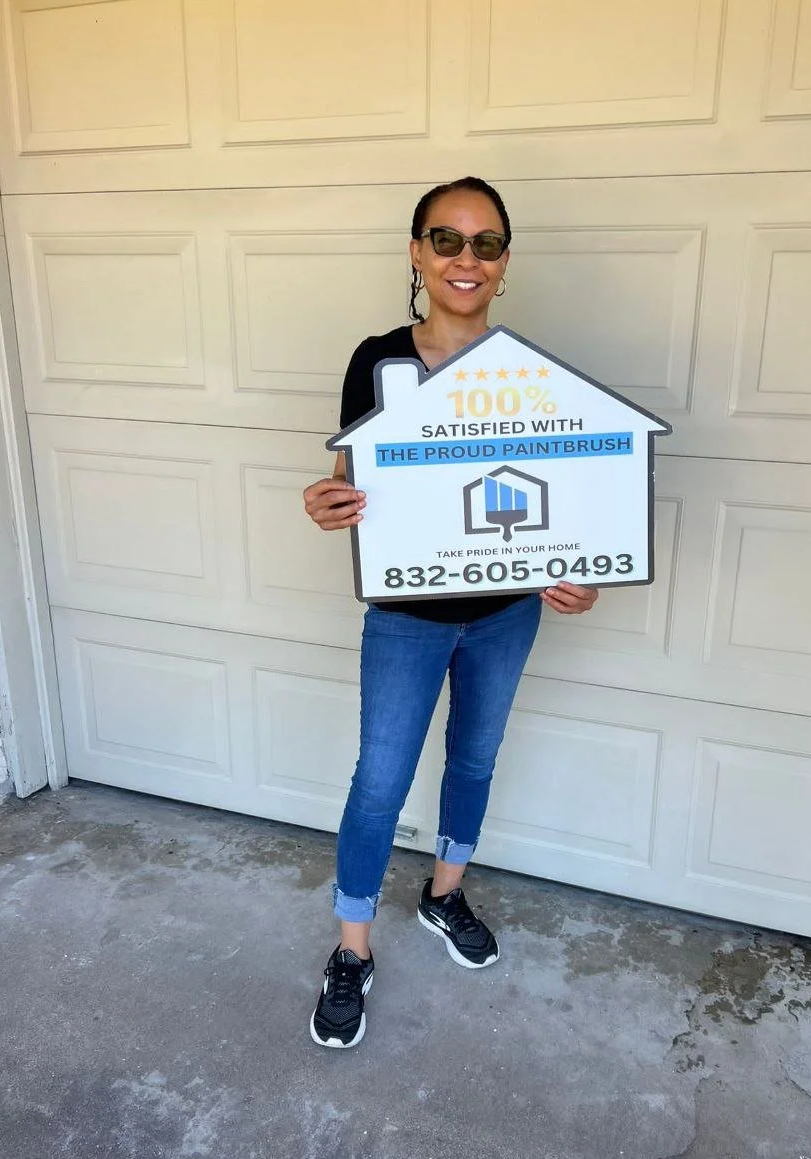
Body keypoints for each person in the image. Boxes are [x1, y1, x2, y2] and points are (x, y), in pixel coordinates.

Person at [302, 177, 598, 1048]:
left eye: (487, 243)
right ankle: (352, 949)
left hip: (507, 612)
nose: (466, 259)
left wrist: (581, 575)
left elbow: (568, 497)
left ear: (505, 263)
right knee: (381, 781)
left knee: (474, 756)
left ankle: (442, 894)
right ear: (416, 253)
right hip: (406, 616)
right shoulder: (379, 362)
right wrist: (324, 502)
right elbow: (357, 485)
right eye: (447, 239)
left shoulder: (530, 374)